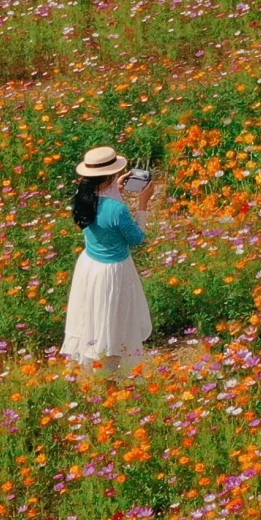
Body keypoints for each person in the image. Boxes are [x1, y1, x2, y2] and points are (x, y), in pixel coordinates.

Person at [61, 145, 156, 375]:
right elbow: (137, 239)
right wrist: (143, 204)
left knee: (92, 314)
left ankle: (90, 363)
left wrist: (116, 189)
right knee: (114, 320)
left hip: (90, 265)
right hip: (114, 271)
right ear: (112, 175)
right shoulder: (117, 210)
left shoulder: (82, 198)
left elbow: (103, 216)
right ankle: (110, 372)